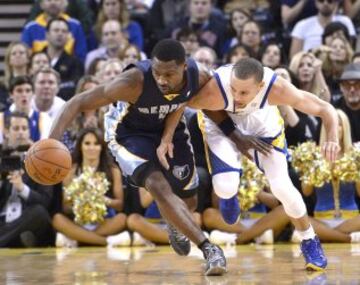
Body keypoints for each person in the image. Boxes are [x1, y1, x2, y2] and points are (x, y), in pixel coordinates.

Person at [48, 39, 231, 276]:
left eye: (169, 74)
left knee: (189, 202)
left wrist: (234, 135)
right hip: (128, 133)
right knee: (157, 185)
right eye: (157, 73)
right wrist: (51, 141)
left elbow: (199, 103)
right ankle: (209, 249)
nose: (162, 80)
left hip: (169, 128)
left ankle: (175, 225)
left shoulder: (200, 76)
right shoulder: (131, 82)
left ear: (184, 67)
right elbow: (77, 101)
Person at [158, 58, 340, 271]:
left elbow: (325, 108)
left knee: (282, 187)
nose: (236, 97)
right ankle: (229, 196)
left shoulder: (277, 88)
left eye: (244, 93)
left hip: (263, 128)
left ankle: (309, 240)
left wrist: (333, 137)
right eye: (233, 90)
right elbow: (180, 104)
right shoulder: (215, 89)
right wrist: (167, 137)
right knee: (225, 186)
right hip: (221, 127)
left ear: (261, 87)